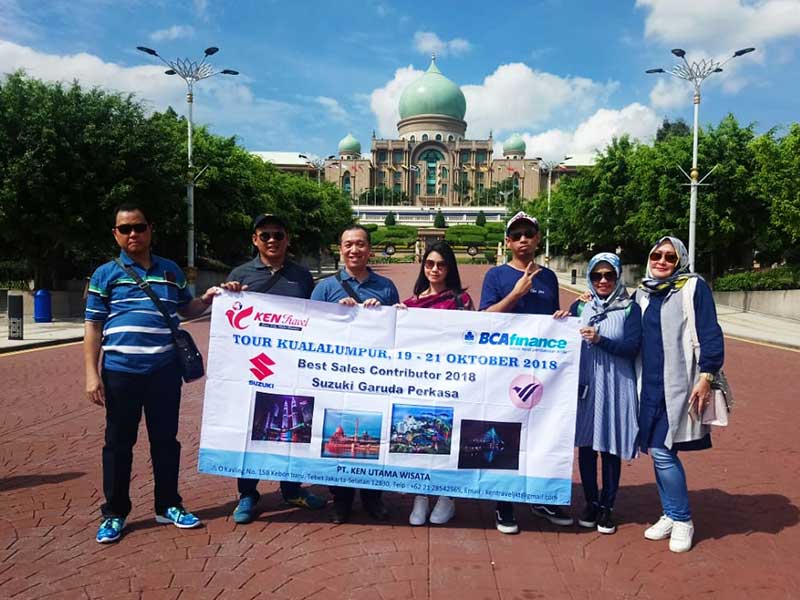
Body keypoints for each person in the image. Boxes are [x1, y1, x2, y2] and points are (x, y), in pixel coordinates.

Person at [85, 203, 220, 544]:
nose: (133, 234)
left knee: (165, 441)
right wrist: (91, 373)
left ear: (150, 230)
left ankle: (168, 505)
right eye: (125, 228)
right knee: (118, 444)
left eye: (139, 227)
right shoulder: (105, 274)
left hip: (164, 370)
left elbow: (186, 308)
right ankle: (115, 512)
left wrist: (206, 299)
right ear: (115, 234)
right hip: (120, 371)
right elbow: (93, 325)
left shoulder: (170, 270)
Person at [221, 214, 327, 524]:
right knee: (251, 427)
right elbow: (230, 321)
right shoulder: (240, 275)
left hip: (292, 367)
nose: (271, 240)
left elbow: (316, 319)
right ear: (254, 239)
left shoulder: (301, 276)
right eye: (265, 235)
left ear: (287, 239)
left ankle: (291, 489)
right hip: (253, 368)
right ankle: (247, 493)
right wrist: (229, 295)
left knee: (294, 425)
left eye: (278, 235)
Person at [480, 211, 573, 534]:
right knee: (506, 433)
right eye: (517, 235)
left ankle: (540, 497)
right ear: (508, 242)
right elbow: (485, 318)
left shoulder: (548, 277)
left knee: (542, 432)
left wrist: (562, 319)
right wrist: (516, 294)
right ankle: (504, 502)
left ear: (537, 240)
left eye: (528, 235)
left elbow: (551, 320)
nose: (523, 240)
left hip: (541, 370)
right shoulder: (496, 276)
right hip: (506, 367)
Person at [634, 236, 724, 553]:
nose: (661, 261)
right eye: (656, 255)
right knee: (658, 451)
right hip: (648, 385)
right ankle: (671, 514)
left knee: (663, 450)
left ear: (680, 261)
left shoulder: (692, 287)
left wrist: (707, 375)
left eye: (670, 257)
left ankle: (683, 519)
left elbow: (710, 331)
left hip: (680, 384)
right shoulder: (642, 292)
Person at [311, 225, 400, 524]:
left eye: (360, 244)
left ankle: (373, 497)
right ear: (340, 249)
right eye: (348, 244)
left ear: (369, 249)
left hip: (375, 376)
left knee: (376, 431)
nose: (354, 250)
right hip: (337, 375)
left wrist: (383, 312)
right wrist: (337, 315)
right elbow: (311, 329)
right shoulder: (325, 288)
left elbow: (396, 331)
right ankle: (341, 499)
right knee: (335, 434)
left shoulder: (385, 287)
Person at [554, 252, 641, 535]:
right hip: (587, 386)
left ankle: (607, 506)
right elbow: (565, 338)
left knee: (611, 447)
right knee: (587, 447)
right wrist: (560, 320)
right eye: (596, 275)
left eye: (609, 275)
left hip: (616, 385)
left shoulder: (629, 309)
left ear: (618, 277)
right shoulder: (582, 306)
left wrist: (601, 340)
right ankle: (591, 502)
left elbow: (632, 348)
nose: (603, 281)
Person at [398, 241, 474, 526]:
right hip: (419, 381)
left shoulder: (461, 301)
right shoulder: (410, 305)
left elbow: (474, 337)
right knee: (419, 437)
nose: (435, 269)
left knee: (447, 437)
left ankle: (446, 496)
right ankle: (420, 495)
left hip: (452, 380)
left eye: (441, 264)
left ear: (449, 268)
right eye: (429, 264)